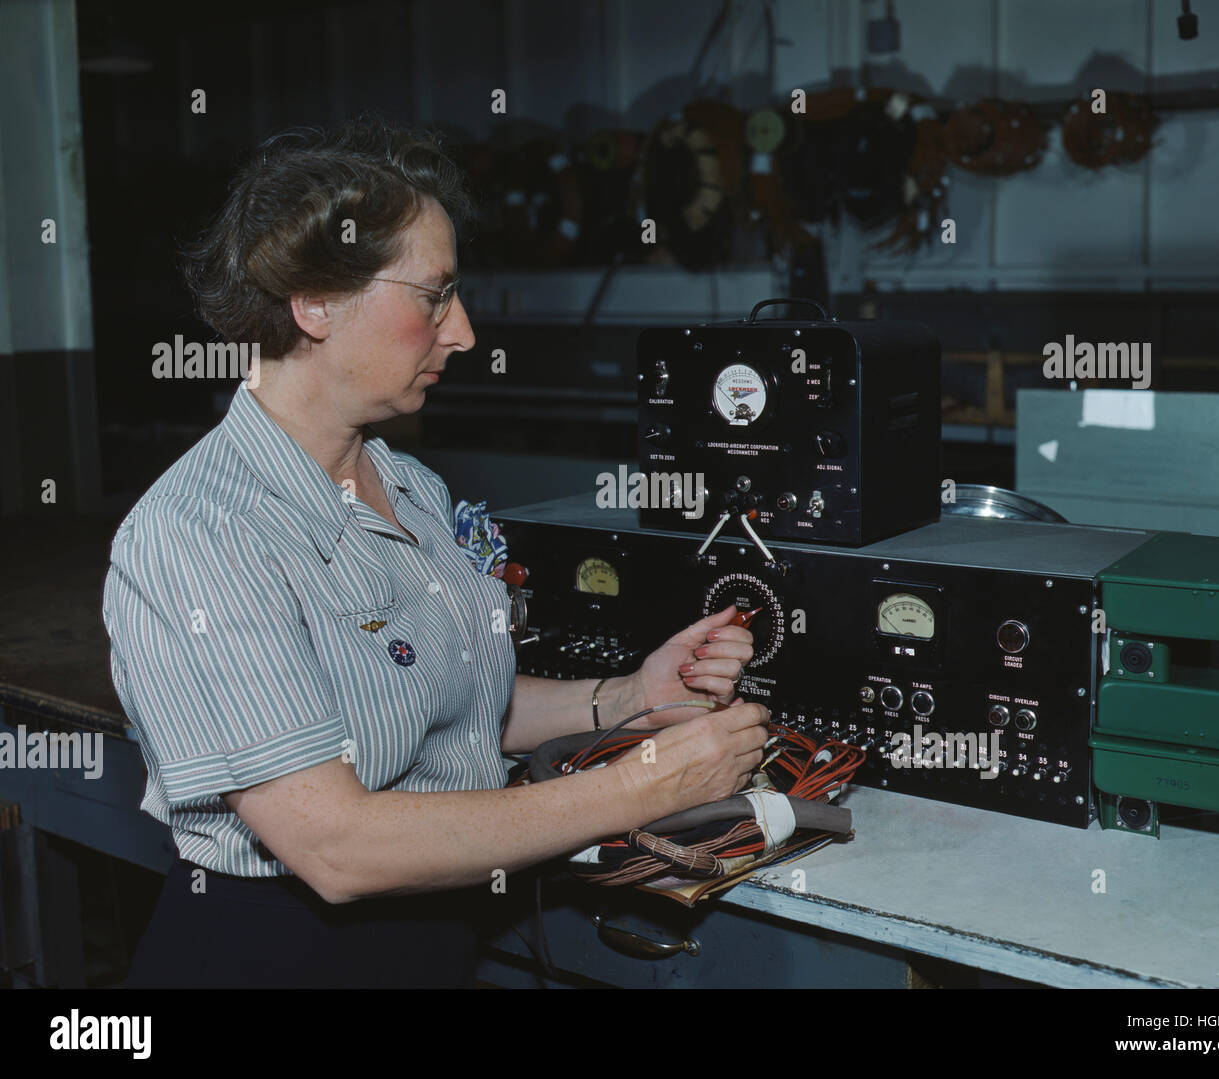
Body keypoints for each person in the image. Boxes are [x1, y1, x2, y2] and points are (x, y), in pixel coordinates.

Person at [102, 118, 769, 988]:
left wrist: (626, 696)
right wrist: (649, 784)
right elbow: (337, 847)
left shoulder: (406, 484)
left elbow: (436, 698)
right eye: (433, 295)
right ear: (314, 302)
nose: (463, 332)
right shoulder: (201, 535)